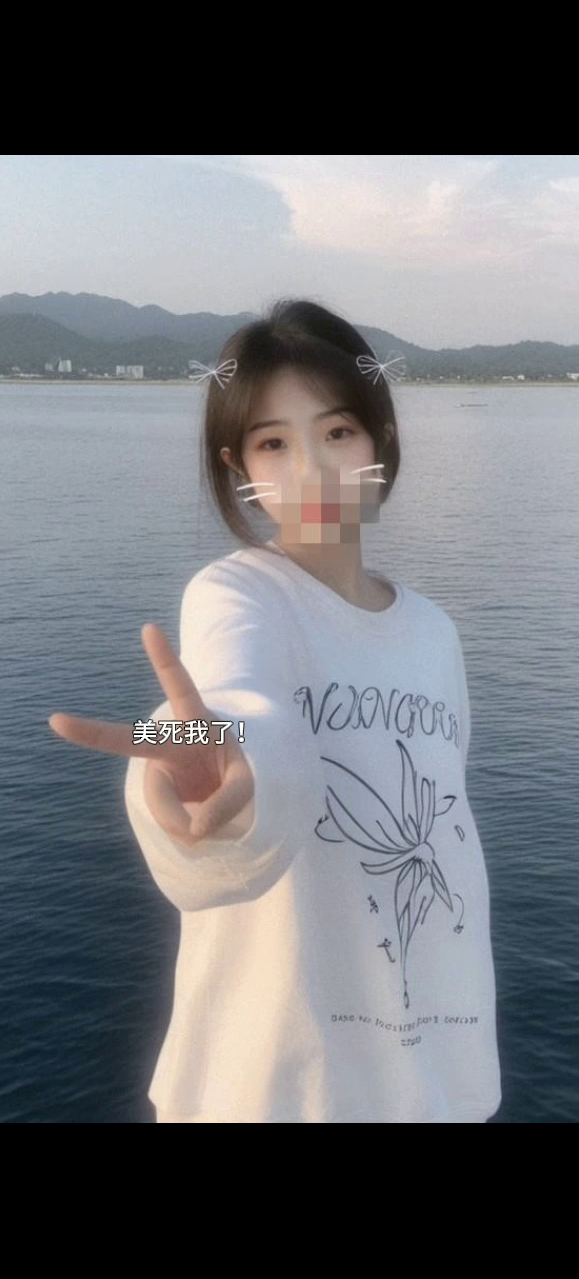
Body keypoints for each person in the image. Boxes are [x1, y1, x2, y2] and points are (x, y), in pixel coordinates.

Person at [48, 297, 502, 1123]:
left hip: (425, 1086)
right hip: (269, 1089)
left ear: (381, 439)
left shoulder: (433, 633)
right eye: (274, 444)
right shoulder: (236, 595)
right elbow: (240, 701)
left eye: (337, 432)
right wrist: (221, 760)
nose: (313, 470)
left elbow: (446, 827)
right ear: (239, 466)